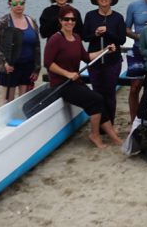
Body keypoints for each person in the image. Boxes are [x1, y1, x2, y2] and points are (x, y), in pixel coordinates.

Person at [44, 9, 120, 149]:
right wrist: (67, 73)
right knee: (96, 99)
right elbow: (48, 63)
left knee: (99, 100)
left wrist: (105, 51)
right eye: (66, 19)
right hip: (61, 84)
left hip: (74, 82)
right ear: (60, 21)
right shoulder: (55, 39)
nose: (70, 22)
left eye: (73, 20)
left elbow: (86, 57)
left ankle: (114, 137)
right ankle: (94, 135)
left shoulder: (76, 37)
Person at [82, 0, 127, 124]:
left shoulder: (118, 17)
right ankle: (100, 124)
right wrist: (95, 34)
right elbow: (85, 37)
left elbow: (122, 40)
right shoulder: (90, 16)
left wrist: (107, 32)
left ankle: (110, 123)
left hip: (113, 61)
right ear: (96, 0)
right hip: (94, 61)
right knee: (97, 93)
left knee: (110, 93)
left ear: (111, 0)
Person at [0, 0, 41, 103]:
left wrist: (37, 68)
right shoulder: (3, 22)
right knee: (8, 101)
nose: (19, 6)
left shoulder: (31, 21)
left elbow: (37, 46)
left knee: (25, 101)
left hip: (28, 67)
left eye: (22, 3)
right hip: (10, 68)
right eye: (15, 4)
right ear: (9, 4)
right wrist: (4, 62)